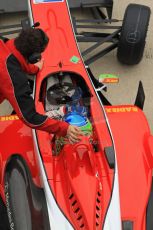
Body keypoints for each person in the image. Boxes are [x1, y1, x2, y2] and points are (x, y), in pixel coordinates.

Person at [0, 28, 81, 143]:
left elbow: (13, 58)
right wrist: (64, 128)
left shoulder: (6, 44)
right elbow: (29, 117)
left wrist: (33, 68)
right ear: (34, 57)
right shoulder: (14, 78)